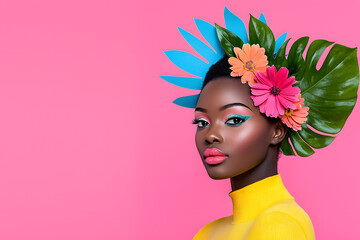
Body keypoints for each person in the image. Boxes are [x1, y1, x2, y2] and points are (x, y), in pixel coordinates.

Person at [161, 7, 359, 240]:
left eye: (234, 119)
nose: (211, 135)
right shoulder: (208, 232)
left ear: (277, 131)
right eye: (202, 122)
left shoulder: (281, 224)